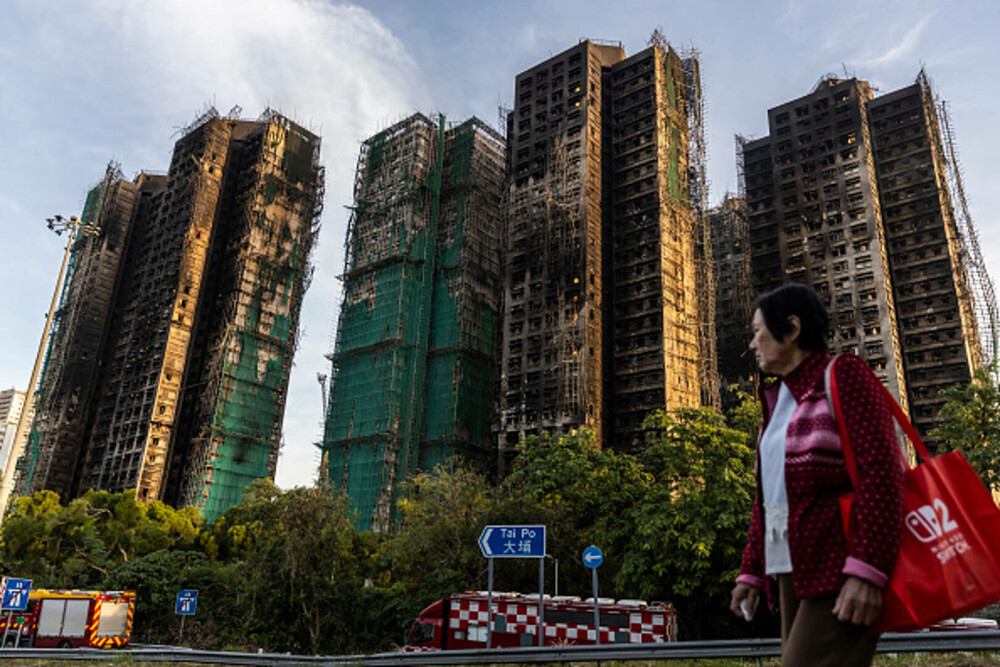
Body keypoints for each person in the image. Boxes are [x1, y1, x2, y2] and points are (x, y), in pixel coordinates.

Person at [729, 283, 904, 666]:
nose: (754, 344)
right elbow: (769, 499)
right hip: (791, 570)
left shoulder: (842, 377)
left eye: (758, 332)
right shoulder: (776, 404)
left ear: (791, 329)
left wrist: (868, 569)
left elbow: (884, 473)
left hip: (839, 568)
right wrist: (752, 571)